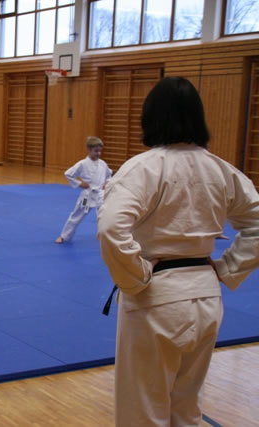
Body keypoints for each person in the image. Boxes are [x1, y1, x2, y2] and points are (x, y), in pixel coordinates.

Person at [96, 77, 259, 427]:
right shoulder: (222, 170)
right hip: (206, 295)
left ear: (150, 118)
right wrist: (228, 267)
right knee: (186, 407)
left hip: (156, 296)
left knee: (143, 411)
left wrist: (135, 277)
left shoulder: (145, 167)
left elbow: (111, 228)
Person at [55, 136, 112, 244]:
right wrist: (79, 183)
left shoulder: (103, 164)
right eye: (96, 151)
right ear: (89, 150)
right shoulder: (82, 164)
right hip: (87, 196)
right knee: (77, 215)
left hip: (100, 195)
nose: (99, 153)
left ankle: (105, 236)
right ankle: (64, 236)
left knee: (104, 216)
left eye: (100, 151)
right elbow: (68, 174)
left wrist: (106, 182)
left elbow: (109, 175)